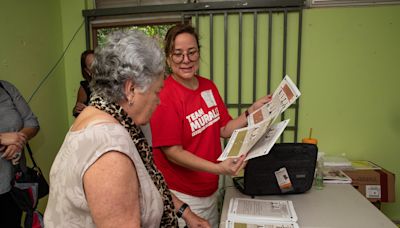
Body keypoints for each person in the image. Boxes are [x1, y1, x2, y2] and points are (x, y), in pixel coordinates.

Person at [44, 30, 210, 228]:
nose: (158, 102)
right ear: (130, 89)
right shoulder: (108, 149)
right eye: (156, 92)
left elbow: (150, 182)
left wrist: (186, 212)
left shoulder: (102, 114)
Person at [150, 24, 271, 227]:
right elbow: (173, 152)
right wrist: (218, 168)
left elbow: (223, 129)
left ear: (199, 52)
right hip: (183, 197)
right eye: (178, 54)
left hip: (210, 190)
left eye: (192, 52)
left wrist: (251, 112)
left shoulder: (208, 86)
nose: (186, 60)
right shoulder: (165, 95)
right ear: (168, 58)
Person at [0, 80, 40, 228]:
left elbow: (32, 123)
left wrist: (18, 140)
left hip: (14, 184)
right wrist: (1, 138)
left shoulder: (6, 88)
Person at [72, 49, 94, 117]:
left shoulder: (114, 84)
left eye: (96, 62)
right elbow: (77, 112)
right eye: (91, 65)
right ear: (87, 71)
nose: (96, 67)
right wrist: (76, 110)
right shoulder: (85, 87)